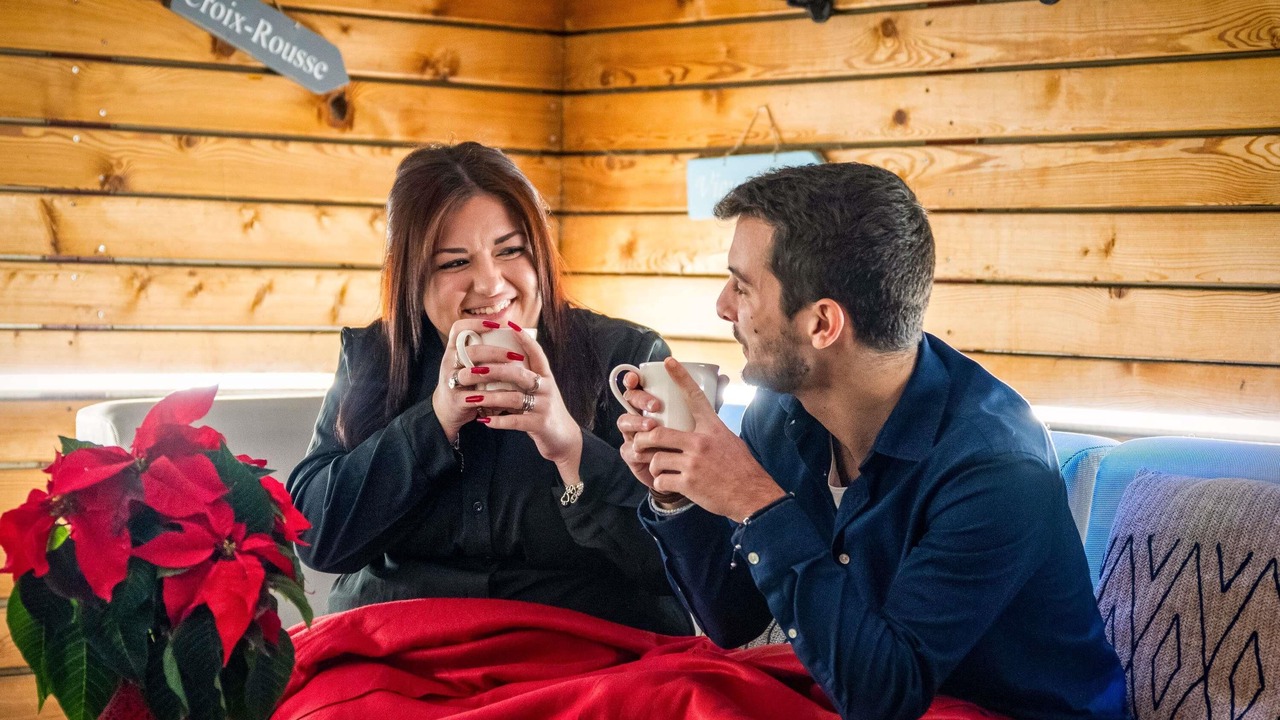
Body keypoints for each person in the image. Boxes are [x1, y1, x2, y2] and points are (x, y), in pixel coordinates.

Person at [616, 163, 1128, 719]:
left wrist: (755, 501)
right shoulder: (783, 414)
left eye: (742, 286)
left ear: (823, 324)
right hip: (861, 695)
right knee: (649, 690)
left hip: (996, 712)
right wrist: (677, 492)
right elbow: (732, 622)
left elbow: (886, 694)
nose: (723, 305)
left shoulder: (996, 469)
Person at [289, 142, 692, 635]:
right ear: (411, 278)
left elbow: (681, 567)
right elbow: (316, 540)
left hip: (580, 650)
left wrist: (570, 448)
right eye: (454, 263)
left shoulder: (626, 356)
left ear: (538, 254)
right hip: (399, 648)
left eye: (510, 251)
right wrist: (434, 421)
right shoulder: (375, 357)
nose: (490, 284)